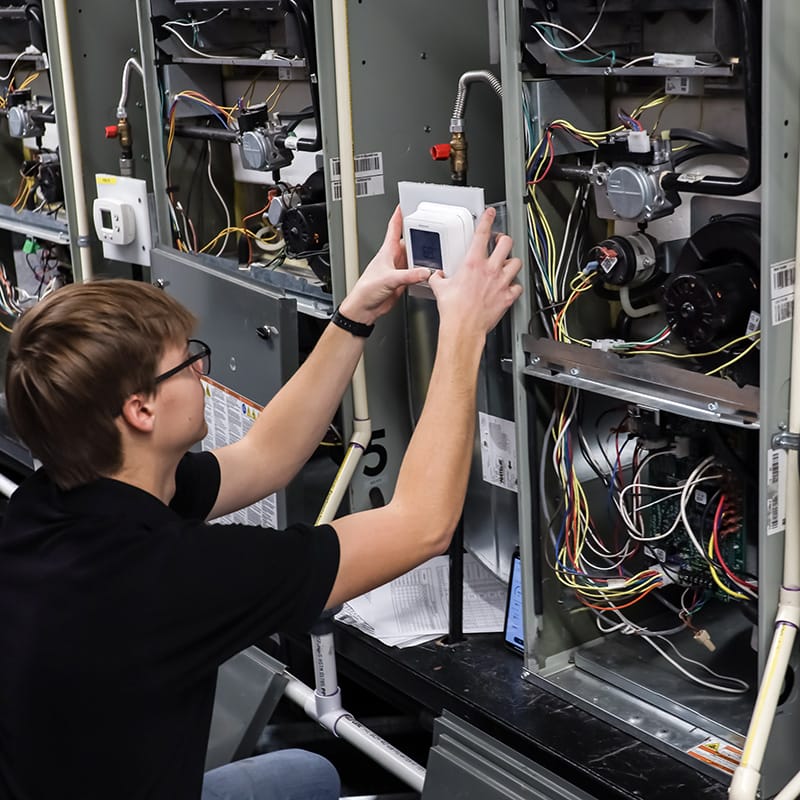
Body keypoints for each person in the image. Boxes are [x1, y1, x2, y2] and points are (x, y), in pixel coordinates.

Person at [0, 206, 522, 800]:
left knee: (309, 773)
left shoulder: (54, 502)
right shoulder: (167, 577)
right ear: (140, 410)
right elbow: (422, 525)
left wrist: (355, 315)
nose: (201, 368)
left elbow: (263, 458)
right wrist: (463, 334)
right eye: (187, 362)